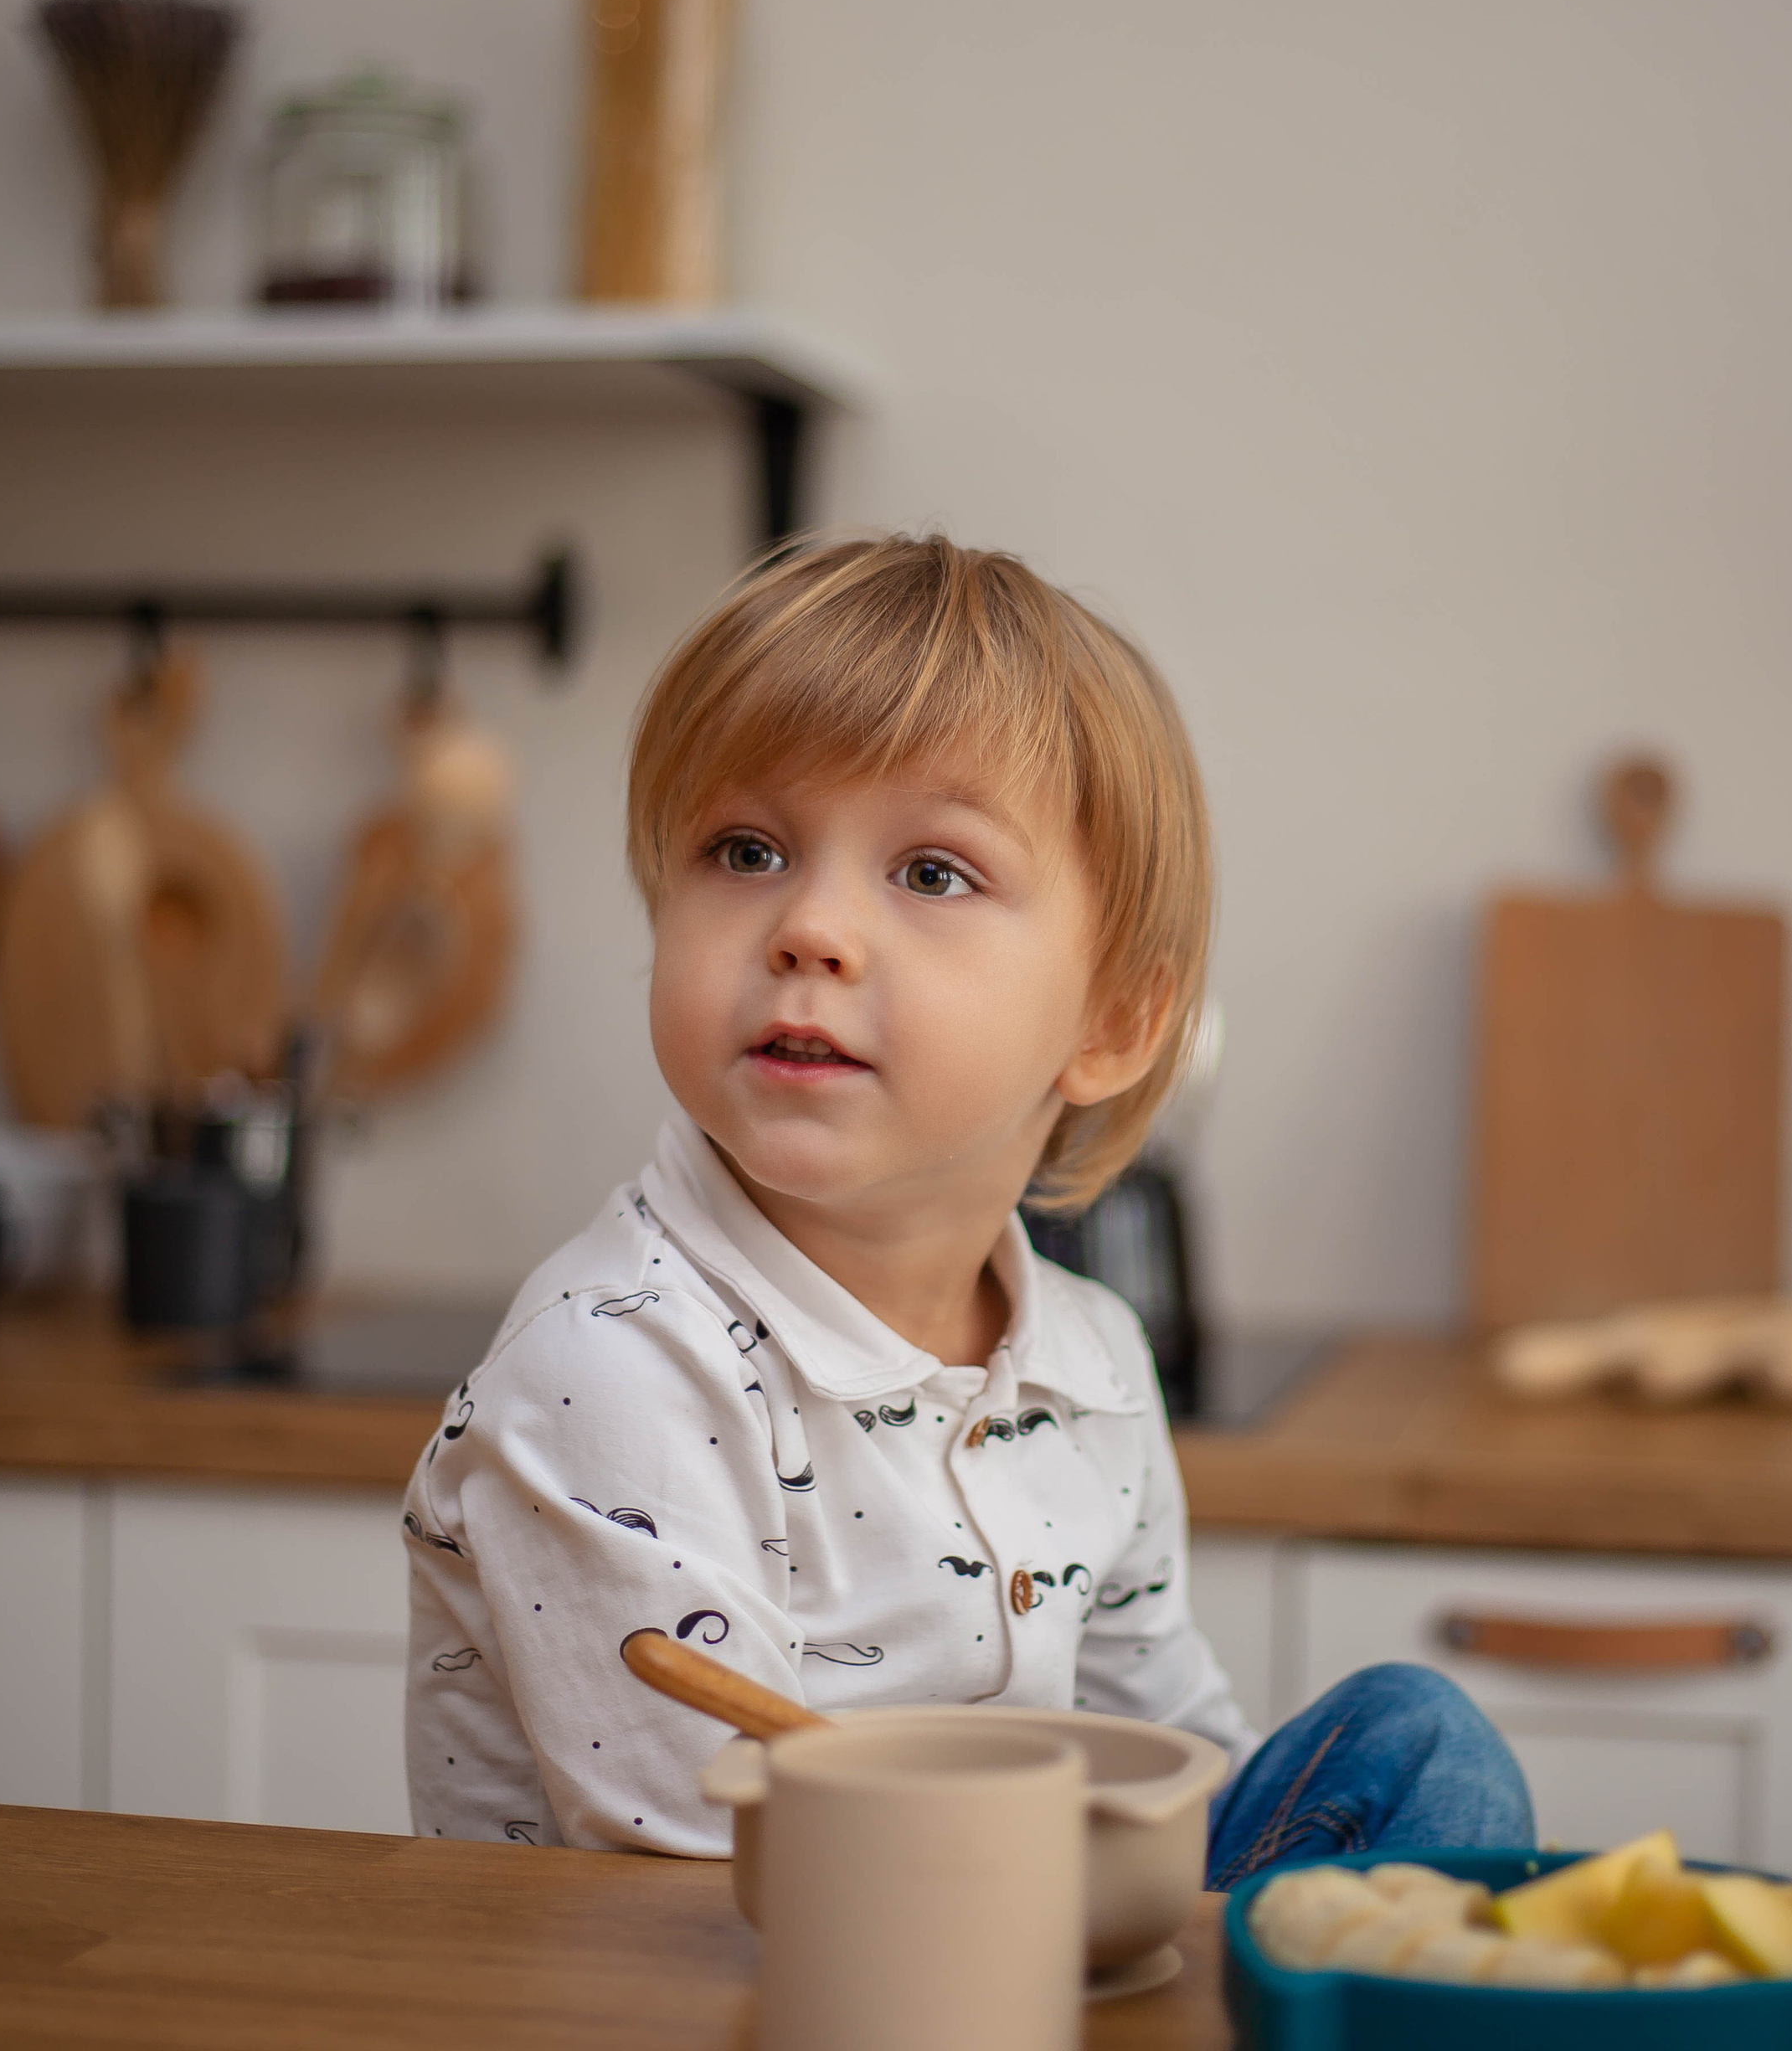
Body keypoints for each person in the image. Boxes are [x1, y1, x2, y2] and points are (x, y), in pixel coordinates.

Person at [403, 533, 1532, 1879]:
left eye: (932, 873)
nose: (810, 927)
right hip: (732, 1994)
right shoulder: (614, 1377)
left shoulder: (1093, 1365)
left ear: (1111, 1021)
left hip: (1019, 1935)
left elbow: (1169, 1756)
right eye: (746, 849)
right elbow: (706, 1885)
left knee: (1418, 1739)